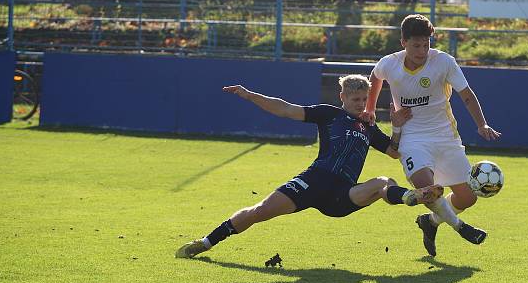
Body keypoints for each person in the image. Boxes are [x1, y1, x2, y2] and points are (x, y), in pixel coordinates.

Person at [175, 75, 444, 258]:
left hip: (342, 195)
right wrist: (249, 95)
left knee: (383, 182)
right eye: (355, 100)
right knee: (260, 211)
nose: (361, 104)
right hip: (314, 181)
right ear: (343, 96)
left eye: (364, 100)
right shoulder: (329, 114)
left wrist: (396, 125)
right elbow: (286, 109)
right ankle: (206, 242)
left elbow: (395, 151)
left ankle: (412, 197)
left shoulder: (369, 128)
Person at [362, 14, 501, 256]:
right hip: (412, 139)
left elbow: (466, 94)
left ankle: (431, 222)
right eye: (416, 45)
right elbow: (375, 77)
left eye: (426, 44)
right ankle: (460, 227)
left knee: (468, 198)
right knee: (427, 189)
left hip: (445, 136)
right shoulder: (390, 63)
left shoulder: (443, 62)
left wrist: (482, 124)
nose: (422, 50)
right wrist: (370, 109)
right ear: (403, 42)